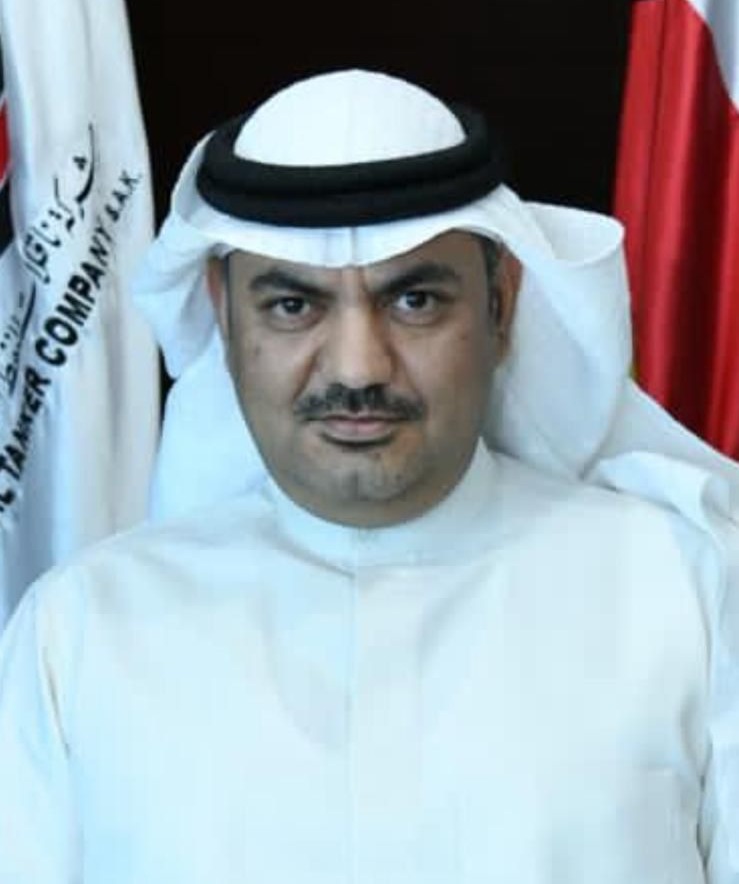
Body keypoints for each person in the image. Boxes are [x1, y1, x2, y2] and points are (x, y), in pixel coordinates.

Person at [0, 68, 738, 884]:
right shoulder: (80, 633)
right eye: (293, 306)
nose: (357, 367)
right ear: (223, 312)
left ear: (499, 305)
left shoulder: (689, 595)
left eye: (413, 300)